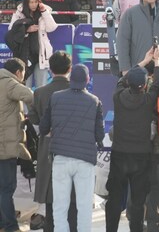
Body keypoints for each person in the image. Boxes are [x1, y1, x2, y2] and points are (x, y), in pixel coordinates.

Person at [39, 64, 104, 232]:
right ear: (87, 80)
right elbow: (99, 136)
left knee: (60, 206)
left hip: (60, 158)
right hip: (85, 160)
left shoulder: (55, 97)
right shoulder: (94, 101)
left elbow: (44, 127)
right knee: (84, 207)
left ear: (70, 78)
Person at [105, 46, 159, 232]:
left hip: (119, 155)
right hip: (141, 157)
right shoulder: (148, 101)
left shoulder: (117, 96)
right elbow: (158, 83)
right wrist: (157, 60)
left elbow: (123, 79)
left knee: (114, 199)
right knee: (138, 202)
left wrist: (144, 61)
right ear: (145, 86)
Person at [27, 51, 77, 232]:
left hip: (47, 149)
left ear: (50, 69)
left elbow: (33, 120)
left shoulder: (40, 93)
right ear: (70, 69)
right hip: (72, 151)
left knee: (50, 201)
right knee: (72, 202)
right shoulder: (79, 92)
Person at [0, 58, 34, 232]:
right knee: (6, 188)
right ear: (18, 72)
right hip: (5, 146)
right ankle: (10, 226)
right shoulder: (9, 83)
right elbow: (30, 96)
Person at [8, 0, 58, 88]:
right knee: (25, 87)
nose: (34, 5)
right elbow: (11, 30)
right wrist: (26, 30)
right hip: (25, 55)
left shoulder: (44, 11)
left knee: (41, 86)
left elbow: (51, 28)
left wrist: (44, 12)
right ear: (26, 2)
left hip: (41, 54)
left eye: (36, 2)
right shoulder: (19, 12)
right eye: (31, 2)